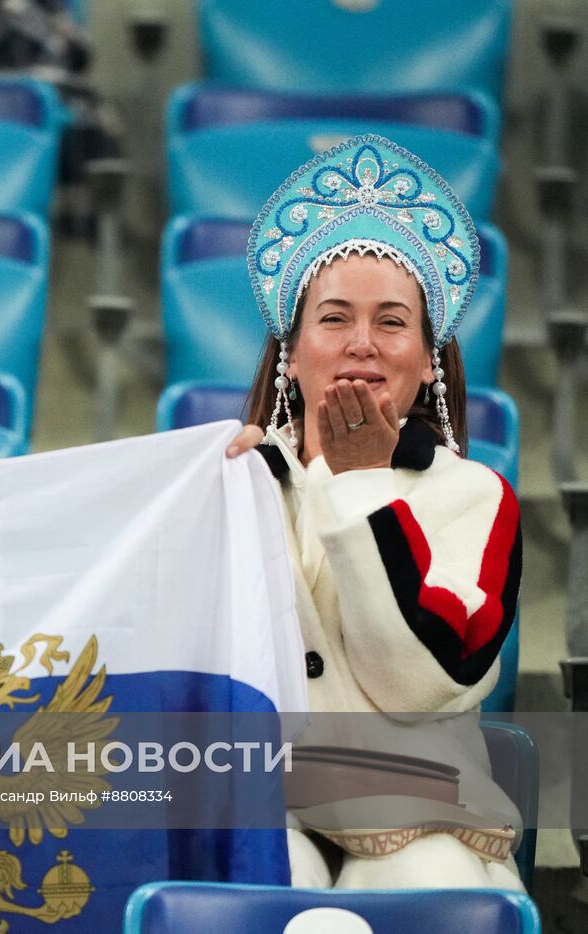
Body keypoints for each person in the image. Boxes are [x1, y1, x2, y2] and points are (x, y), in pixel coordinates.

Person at [232, 135, 524, 889]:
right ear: (290, 353)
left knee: (425, 877)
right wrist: (217, 496)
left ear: (428, 358)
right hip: (264, 811)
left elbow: (417, 683)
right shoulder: (231, 481)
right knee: (261, 877)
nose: (363, 343)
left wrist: (360, 487)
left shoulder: (476, 496)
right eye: (334, 319)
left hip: (425, 823)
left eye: (393, 322)